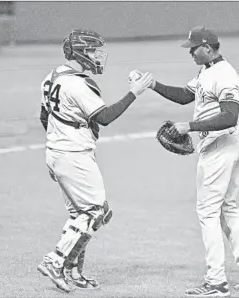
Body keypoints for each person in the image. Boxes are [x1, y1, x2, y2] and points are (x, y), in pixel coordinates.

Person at [146, 26, 239, 297]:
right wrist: (153, 85)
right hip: (228, 144)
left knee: (208, 213)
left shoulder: (225, 75)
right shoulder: (207, 71)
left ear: (208, 47)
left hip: (222, 146)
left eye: (193, 47)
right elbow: (184, 96)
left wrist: (188, 126)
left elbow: (229, 116)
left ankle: (216, 282)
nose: (189, 51)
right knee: (227, 207)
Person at [37, 29, 152, 292]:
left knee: (81, 213)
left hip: (59, 152)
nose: (96, 55)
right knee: (95, 212)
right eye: (91, 50)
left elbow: (44, 117)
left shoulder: (51, 76)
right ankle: (55, 261)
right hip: (74, 154)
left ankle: (74, 272)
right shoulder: (77, 84)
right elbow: (105, 117)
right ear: (79, 52)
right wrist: (134, 92)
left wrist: (56, 150)